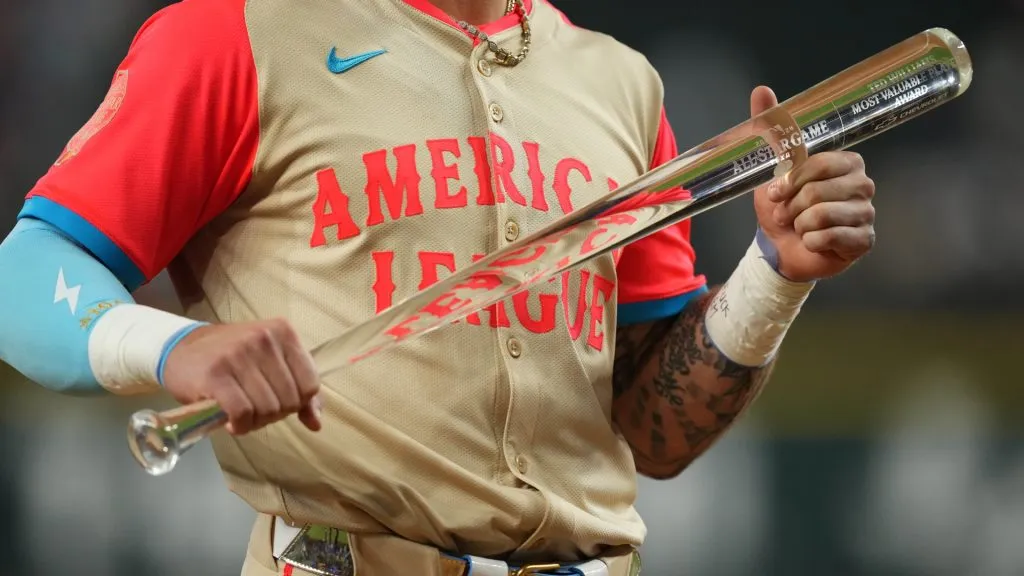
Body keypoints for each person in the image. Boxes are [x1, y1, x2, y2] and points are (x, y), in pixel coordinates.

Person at [0, 0, 877, 574]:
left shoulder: (619, 82)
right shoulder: (240, 32)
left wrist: (773, 273)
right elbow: (25, 275)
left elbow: (654, 434)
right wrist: (175, 346)